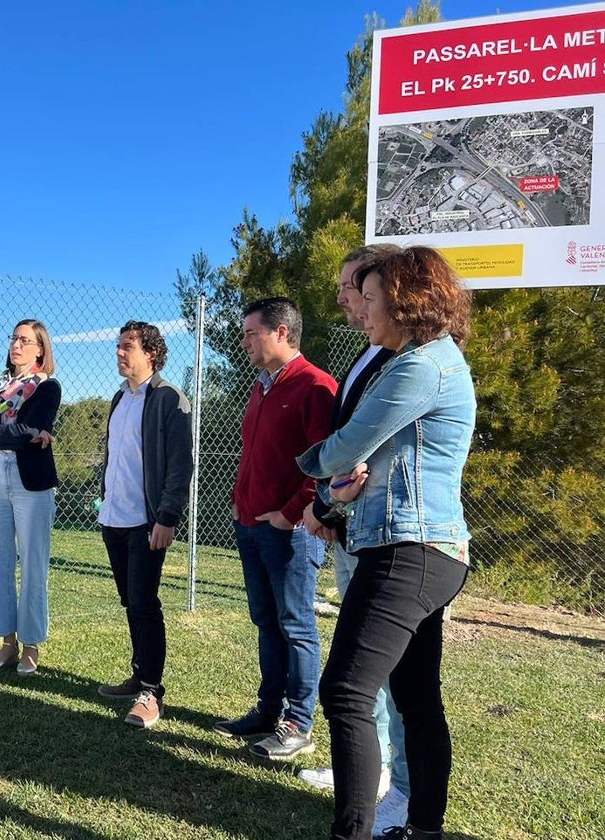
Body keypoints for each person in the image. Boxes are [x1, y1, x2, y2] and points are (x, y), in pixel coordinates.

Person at [298, 246, 475, 840]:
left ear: (407, 302)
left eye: (371, 299)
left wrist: (307, 469)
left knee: (346, 689)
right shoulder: (424, 359)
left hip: (410, 549)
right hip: (423, 549)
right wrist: (334, 494)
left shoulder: (421, 365)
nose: (363, 311)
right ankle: (424, 829)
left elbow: (347, 445)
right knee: (415, 696)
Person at [299, 245, 410, 832]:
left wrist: (322, 497)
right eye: (348, 288)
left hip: (388, 533)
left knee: (381, 670)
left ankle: (391, 781)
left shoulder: (408, 362)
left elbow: (359, 451)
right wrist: (329, 506)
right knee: (367, 669)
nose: (345, 297)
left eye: (356, 288)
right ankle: (374, 772)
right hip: (353, 524)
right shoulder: (370, 356)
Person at [215, 297, 335, 762]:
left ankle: (298, 722)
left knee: (296, 625)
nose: (244, 341)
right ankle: (268, 711)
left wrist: (290, 513)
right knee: (267, 622)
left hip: (289, 531)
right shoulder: (260, 387)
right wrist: (241, 505)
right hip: (250, 524)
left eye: (251, 333)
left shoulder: (316, 386)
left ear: (281, 333)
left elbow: (327, 464)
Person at [96, 320, 192, 729]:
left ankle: (152, 693)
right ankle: (140, 674)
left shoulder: (170, 399)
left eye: (128, 347)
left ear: (151, 353)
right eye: (118, 346)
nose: (120, 352)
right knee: (130, 602)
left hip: (146, 521)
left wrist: (167, 516)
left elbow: (180, 464)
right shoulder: (120, 399)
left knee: (144, 603)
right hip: (113, 518)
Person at [0, 319, 61, 676]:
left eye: (26, 340)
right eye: (14, 338)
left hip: (32, 483)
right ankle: (7, 643)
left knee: (34, 565)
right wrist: (22, 434)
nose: (17, 345)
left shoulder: (48, 388)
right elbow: (11, 434)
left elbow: (18, 431)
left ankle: (31, 646)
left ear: (40, 349)